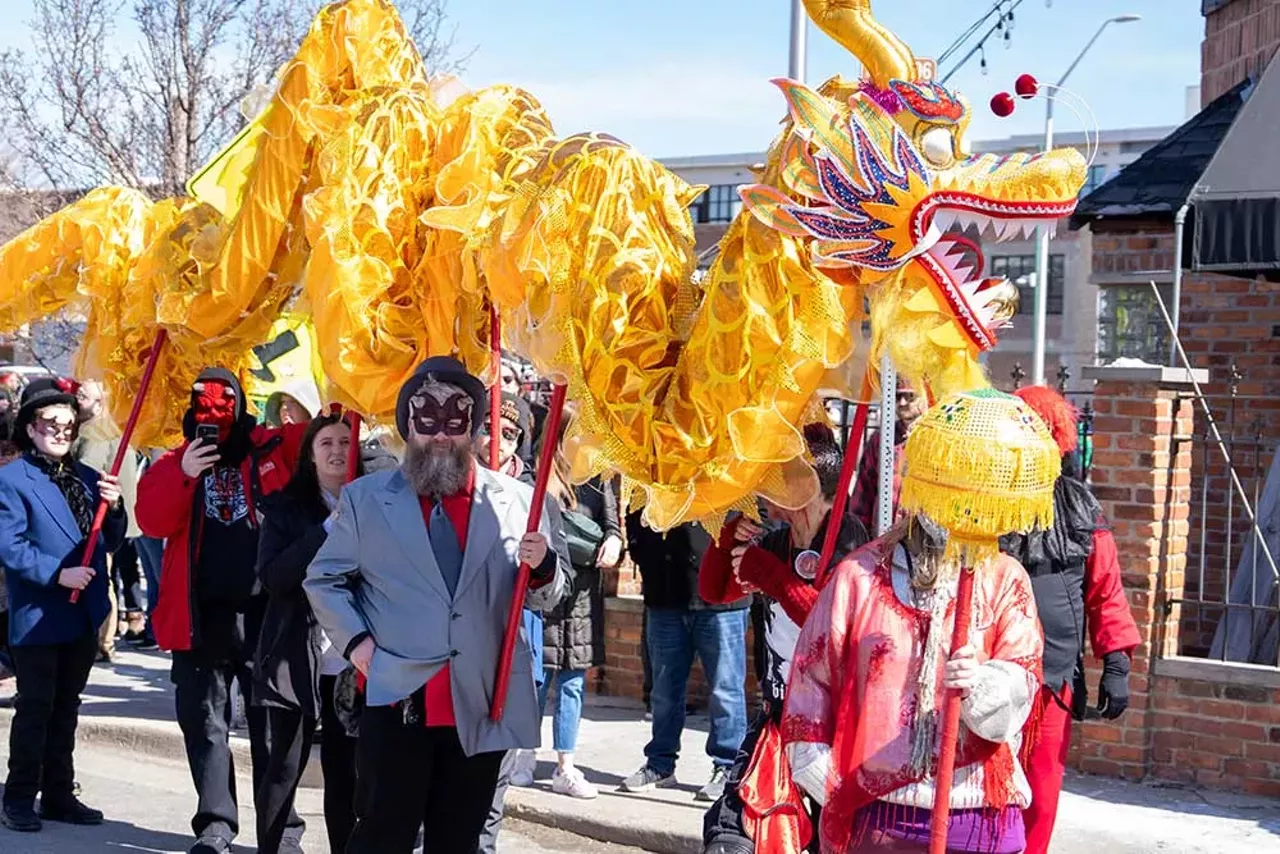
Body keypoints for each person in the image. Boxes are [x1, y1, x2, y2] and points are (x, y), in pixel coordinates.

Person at [305, 356, 571, 854]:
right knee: (383, 835)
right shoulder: (366, 499)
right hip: (397, 700)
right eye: (427, 422)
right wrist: (358, 645)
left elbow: (548, 598)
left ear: (473, 429)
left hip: (480, 703)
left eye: (456, 422)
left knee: (460, 841)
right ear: (408, 427)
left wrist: (544, 567)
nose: (441, 435)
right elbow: (323, 579)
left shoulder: (517, 501)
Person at [783, 390, 1059, 853]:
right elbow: (809, 694)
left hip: (979, 818)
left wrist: (980, 683)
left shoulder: (1002, 578)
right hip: (881, 816)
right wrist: (836, 787)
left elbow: (1021, 687)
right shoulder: (859, 577)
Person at [135, 367, 306, 854]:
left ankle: (282, 831)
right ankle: (214, 825)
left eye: (223, 403)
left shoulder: (269, 446)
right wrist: (184, 471)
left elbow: (326, 440)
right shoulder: (174, 458)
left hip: (265, 613)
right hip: (200, 617)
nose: (214, 415)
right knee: (205, 724)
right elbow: (151, 518)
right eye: (204, 405)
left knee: (274, 727)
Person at [699, 424, 871, 854]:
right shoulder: (776, 542)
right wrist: (725, 540)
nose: (768, 486)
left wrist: (773, 579)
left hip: (833, 729)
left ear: (805, 485)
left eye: (779, 476)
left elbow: (832, 630)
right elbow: (715, 590)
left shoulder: (851, 542)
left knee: (826, 841)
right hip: (776, 722)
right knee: (731, 835)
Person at [1003, 386, 1141, 854]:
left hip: (1054, 679)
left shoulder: (1080, 506)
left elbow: (1106, 589)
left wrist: (1116, 664)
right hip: (991, 675)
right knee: (985, 796)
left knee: (1040, 799)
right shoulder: (987, 498)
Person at [0, 377, 127, 832]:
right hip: (38, 615)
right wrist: (58, 573)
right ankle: (18, 797)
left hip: (83, 612)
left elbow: (111, 539)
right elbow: (9, 546)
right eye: (50, 422)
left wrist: (114, 508)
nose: (60, 431)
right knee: (36, 707)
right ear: (30, 427)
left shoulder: (89, 478)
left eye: (68, 425)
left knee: (68, 706)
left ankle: (57, 794)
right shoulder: (11, 479)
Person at [252, 409, 362, 854]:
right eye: (327, 443)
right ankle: (273, 844)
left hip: (353, 661)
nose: (337, 451)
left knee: (346, 772)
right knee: (285, 765)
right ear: (311, 455)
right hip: (296, 655)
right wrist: (326, 529)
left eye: (345, 442)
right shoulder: (285, 507)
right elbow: (274, 576)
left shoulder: (374, 503)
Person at [520, 416, 625, 799]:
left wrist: (614, 542)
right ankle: (524, 753)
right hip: (544, 589)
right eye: (576, 435)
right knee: (536, 679)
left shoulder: (598, 479)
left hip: (582, 595)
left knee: (572, 683)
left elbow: (614, 526)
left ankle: (566, 764)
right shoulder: (535, 479)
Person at [621, 514, 748, 803]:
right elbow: (636, 511)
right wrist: (643, 553)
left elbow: (759, 514)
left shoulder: (735, 467)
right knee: (664, 690)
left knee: (725, 690)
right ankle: (660, 764)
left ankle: (729, 767)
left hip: (722, 593)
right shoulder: (654, 468)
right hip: (666, 591)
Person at [72, 379, 146, 660]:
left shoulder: (94, 434)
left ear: (101, 402)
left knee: (102, 578)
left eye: (84, 397)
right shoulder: (116, 429)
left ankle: (102, 640)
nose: (78, 401)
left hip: (102, 522)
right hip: (120, 520)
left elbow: (87, 475)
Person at [848, 380, 927, 533]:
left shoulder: (939, 439)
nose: (903, 402)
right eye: (897, 397)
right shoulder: (881, 438)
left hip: (922, 538)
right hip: (883, 537)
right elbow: (864, 492)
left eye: (910, 396)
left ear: (924, 395)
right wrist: (858, 535)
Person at [480, 391, 534, 484]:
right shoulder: (454, 475)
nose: (497, 440)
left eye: (509, 433)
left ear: (519, 440)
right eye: (489, 428)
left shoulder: (530, 493)